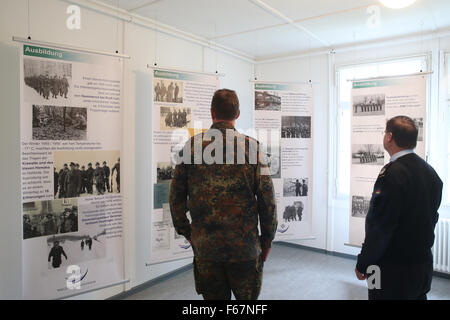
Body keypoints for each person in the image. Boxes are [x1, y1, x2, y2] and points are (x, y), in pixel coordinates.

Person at [169, 89, 277, 300]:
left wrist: (188, 233)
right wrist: (267, 242)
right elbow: (268, 202)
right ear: (237, 114)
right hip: (245, 250)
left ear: (212, 112)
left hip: (206, 250)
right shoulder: (253, 149)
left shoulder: (190, 148)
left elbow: (176, 199)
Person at [355, 116, 443, 300]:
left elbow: (379, 227)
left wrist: (364, 263)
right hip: (422, 266)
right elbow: (431, 219)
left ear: (389, 137)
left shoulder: (391, 174)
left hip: (388, 269)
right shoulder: (431, 172)